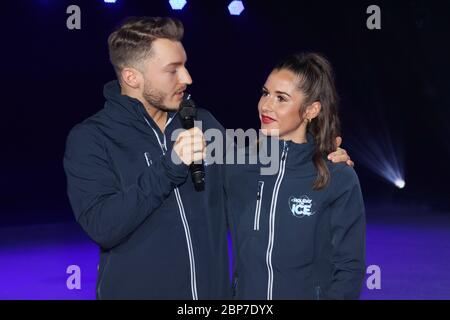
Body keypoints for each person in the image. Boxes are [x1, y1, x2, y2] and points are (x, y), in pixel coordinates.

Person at [63, 16, 353, 300]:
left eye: (185, 65)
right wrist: (169, 168)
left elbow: (265, 161)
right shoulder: (92, 138)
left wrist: (321, 155)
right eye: (172, 70)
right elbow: (103, 226)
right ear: (131, 77)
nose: (187, 78)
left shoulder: (202, 123)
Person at [225, 53, 366, 300]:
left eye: (281, 98)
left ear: (311, 109)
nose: (266, 105)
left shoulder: (338, 176)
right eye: (265, 92)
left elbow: (349, 269)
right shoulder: (237, 166)